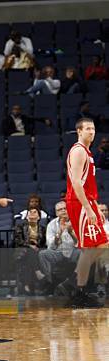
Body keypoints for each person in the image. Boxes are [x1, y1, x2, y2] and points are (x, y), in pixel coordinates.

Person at [64, 118, 109, 307]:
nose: (92, 132)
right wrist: (89, 208)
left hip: (88, 201)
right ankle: (77, 290)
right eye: (87, 129)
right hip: (79, 203)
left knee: (102, 244)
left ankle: (73, 284)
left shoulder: (87, 152)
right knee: (92, 247)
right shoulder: (78, 151)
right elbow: (76, 183)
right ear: (79, 131)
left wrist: (94, 205)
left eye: (93, 128)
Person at [14, 208, 47, 295]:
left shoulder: (43, 228)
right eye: (30, 212)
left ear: (39, 217)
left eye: (34, 212)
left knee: (31, 256)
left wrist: (36, 245)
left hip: (38, 250)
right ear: (27, 216)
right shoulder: (20, 227)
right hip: (23, 249)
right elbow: (18, 241)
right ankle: (37, 272)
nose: (32, 214)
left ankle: (27, 286)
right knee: (30, 251)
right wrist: (30, 245)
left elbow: (44, 242)